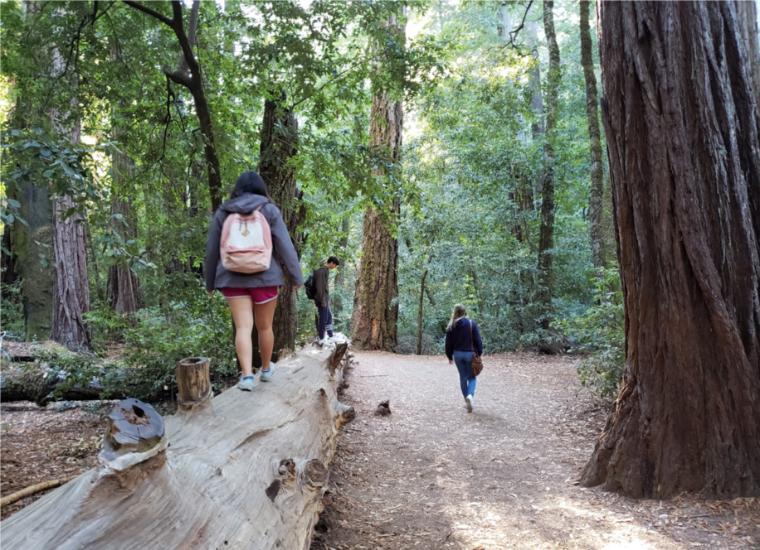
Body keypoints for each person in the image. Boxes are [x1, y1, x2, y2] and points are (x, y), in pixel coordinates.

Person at [204, 171, 303, 391]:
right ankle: (266, 370)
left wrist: (209, 283)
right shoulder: (269, 210)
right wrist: (297, 277)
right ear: (261, 188)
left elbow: (211, 251)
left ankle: (247, 376)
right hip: (266, 277)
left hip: (232, 278)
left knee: (243, 327)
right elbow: (285, 246)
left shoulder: (224, 211)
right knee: (265, 326)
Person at [444, 304, 483, 413]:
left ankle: (467, 400)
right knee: (472, 377)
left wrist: (449, 356)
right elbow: (478, 340)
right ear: (464, 312)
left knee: (462, 377)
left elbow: (448, 344)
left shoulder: (451, 325)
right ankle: (470, 396)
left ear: (455, 312)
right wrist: (479, 353)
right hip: (470, 354)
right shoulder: (471, 324)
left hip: (457, 355)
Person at [312, 256, 340, 346]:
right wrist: (322, 301)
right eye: (335, 265)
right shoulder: (321, 271)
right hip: (321, 300)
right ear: (331, 263)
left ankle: (330, 335)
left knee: (329, 317)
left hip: (325, 299)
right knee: (323, 319)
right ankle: (321, 338)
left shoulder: (325, 271)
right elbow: (320, 288)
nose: (334, 267)